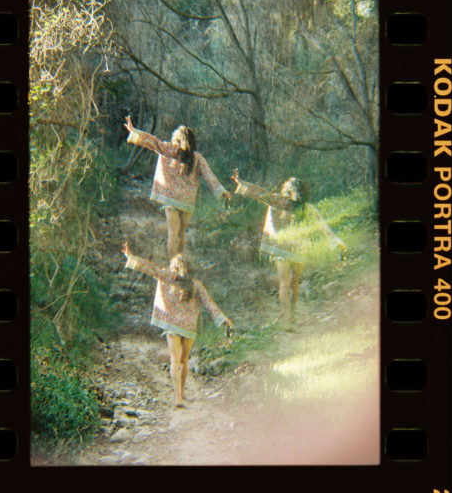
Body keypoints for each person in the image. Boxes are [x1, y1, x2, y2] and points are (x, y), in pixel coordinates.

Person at [230, 171, 347, 331]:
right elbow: (323, 228)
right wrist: (242, 182)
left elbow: (260, 193)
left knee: (288, 283)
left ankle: (289, 319)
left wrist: (242, 183)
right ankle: (289, 319)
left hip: (287, 248)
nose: (295, 193)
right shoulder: (303, 207)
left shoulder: (288, 204)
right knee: (291, 284)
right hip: (291, 249)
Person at [122, 242, 233, 408]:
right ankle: (182, 392)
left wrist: (130, 257)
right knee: (184, 361)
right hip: (188, 328)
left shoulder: (166, 276)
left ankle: (178, 399)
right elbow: (209, 304)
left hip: (172, 327)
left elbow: (148, 267)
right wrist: (224, 319)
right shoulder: (196, 284)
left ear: (173, 266)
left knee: (174, 360)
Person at [124, 115, 231, 257]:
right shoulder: (198, 158)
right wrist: (222, 192)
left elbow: (152, 142)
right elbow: (209, 176)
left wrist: (134, 131)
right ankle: (179, 264)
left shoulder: (170, 150)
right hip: (187, 203)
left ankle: (173, 267)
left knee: (172, 235)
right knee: (181, 236)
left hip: (172, 201)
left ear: (177, 140)